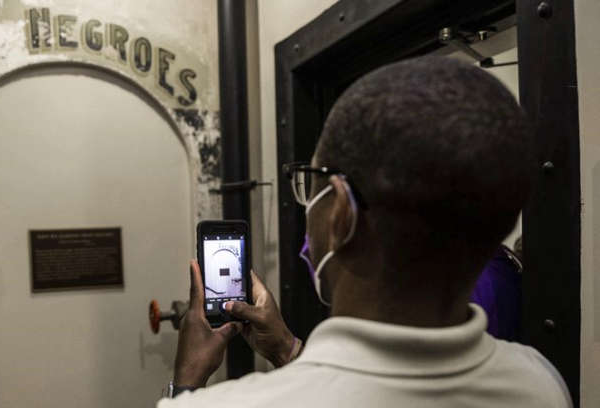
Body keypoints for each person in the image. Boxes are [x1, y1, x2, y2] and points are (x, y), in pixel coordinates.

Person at [158, 57, 571, 407]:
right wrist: (286, 349)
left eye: (311, 184)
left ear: (340, 212)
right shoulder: (539, 383)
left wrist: (188, 383)